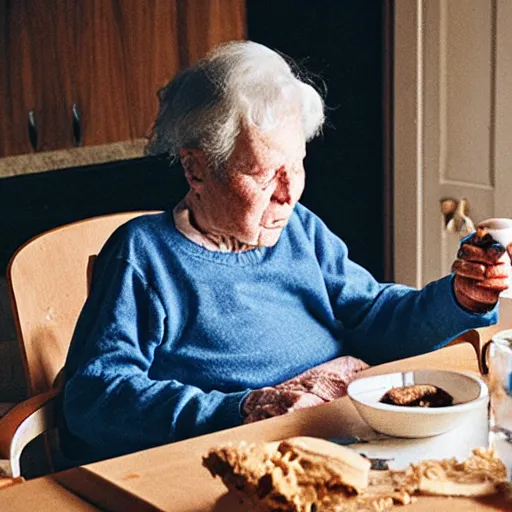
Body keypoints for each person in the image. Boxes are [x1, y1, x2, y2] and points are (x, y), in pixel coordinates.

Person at [61, 41, 511, 464]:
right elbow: (97, 395)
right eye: (261, 175)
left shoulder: (300, 230)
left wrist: (461, 298)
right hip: (236, 456)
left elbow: (373, 315)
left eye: (295, 165)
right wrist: (242, 407)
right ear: (196, 168)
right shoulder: (144, 255)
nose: (288, 194)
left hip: (344, 433)